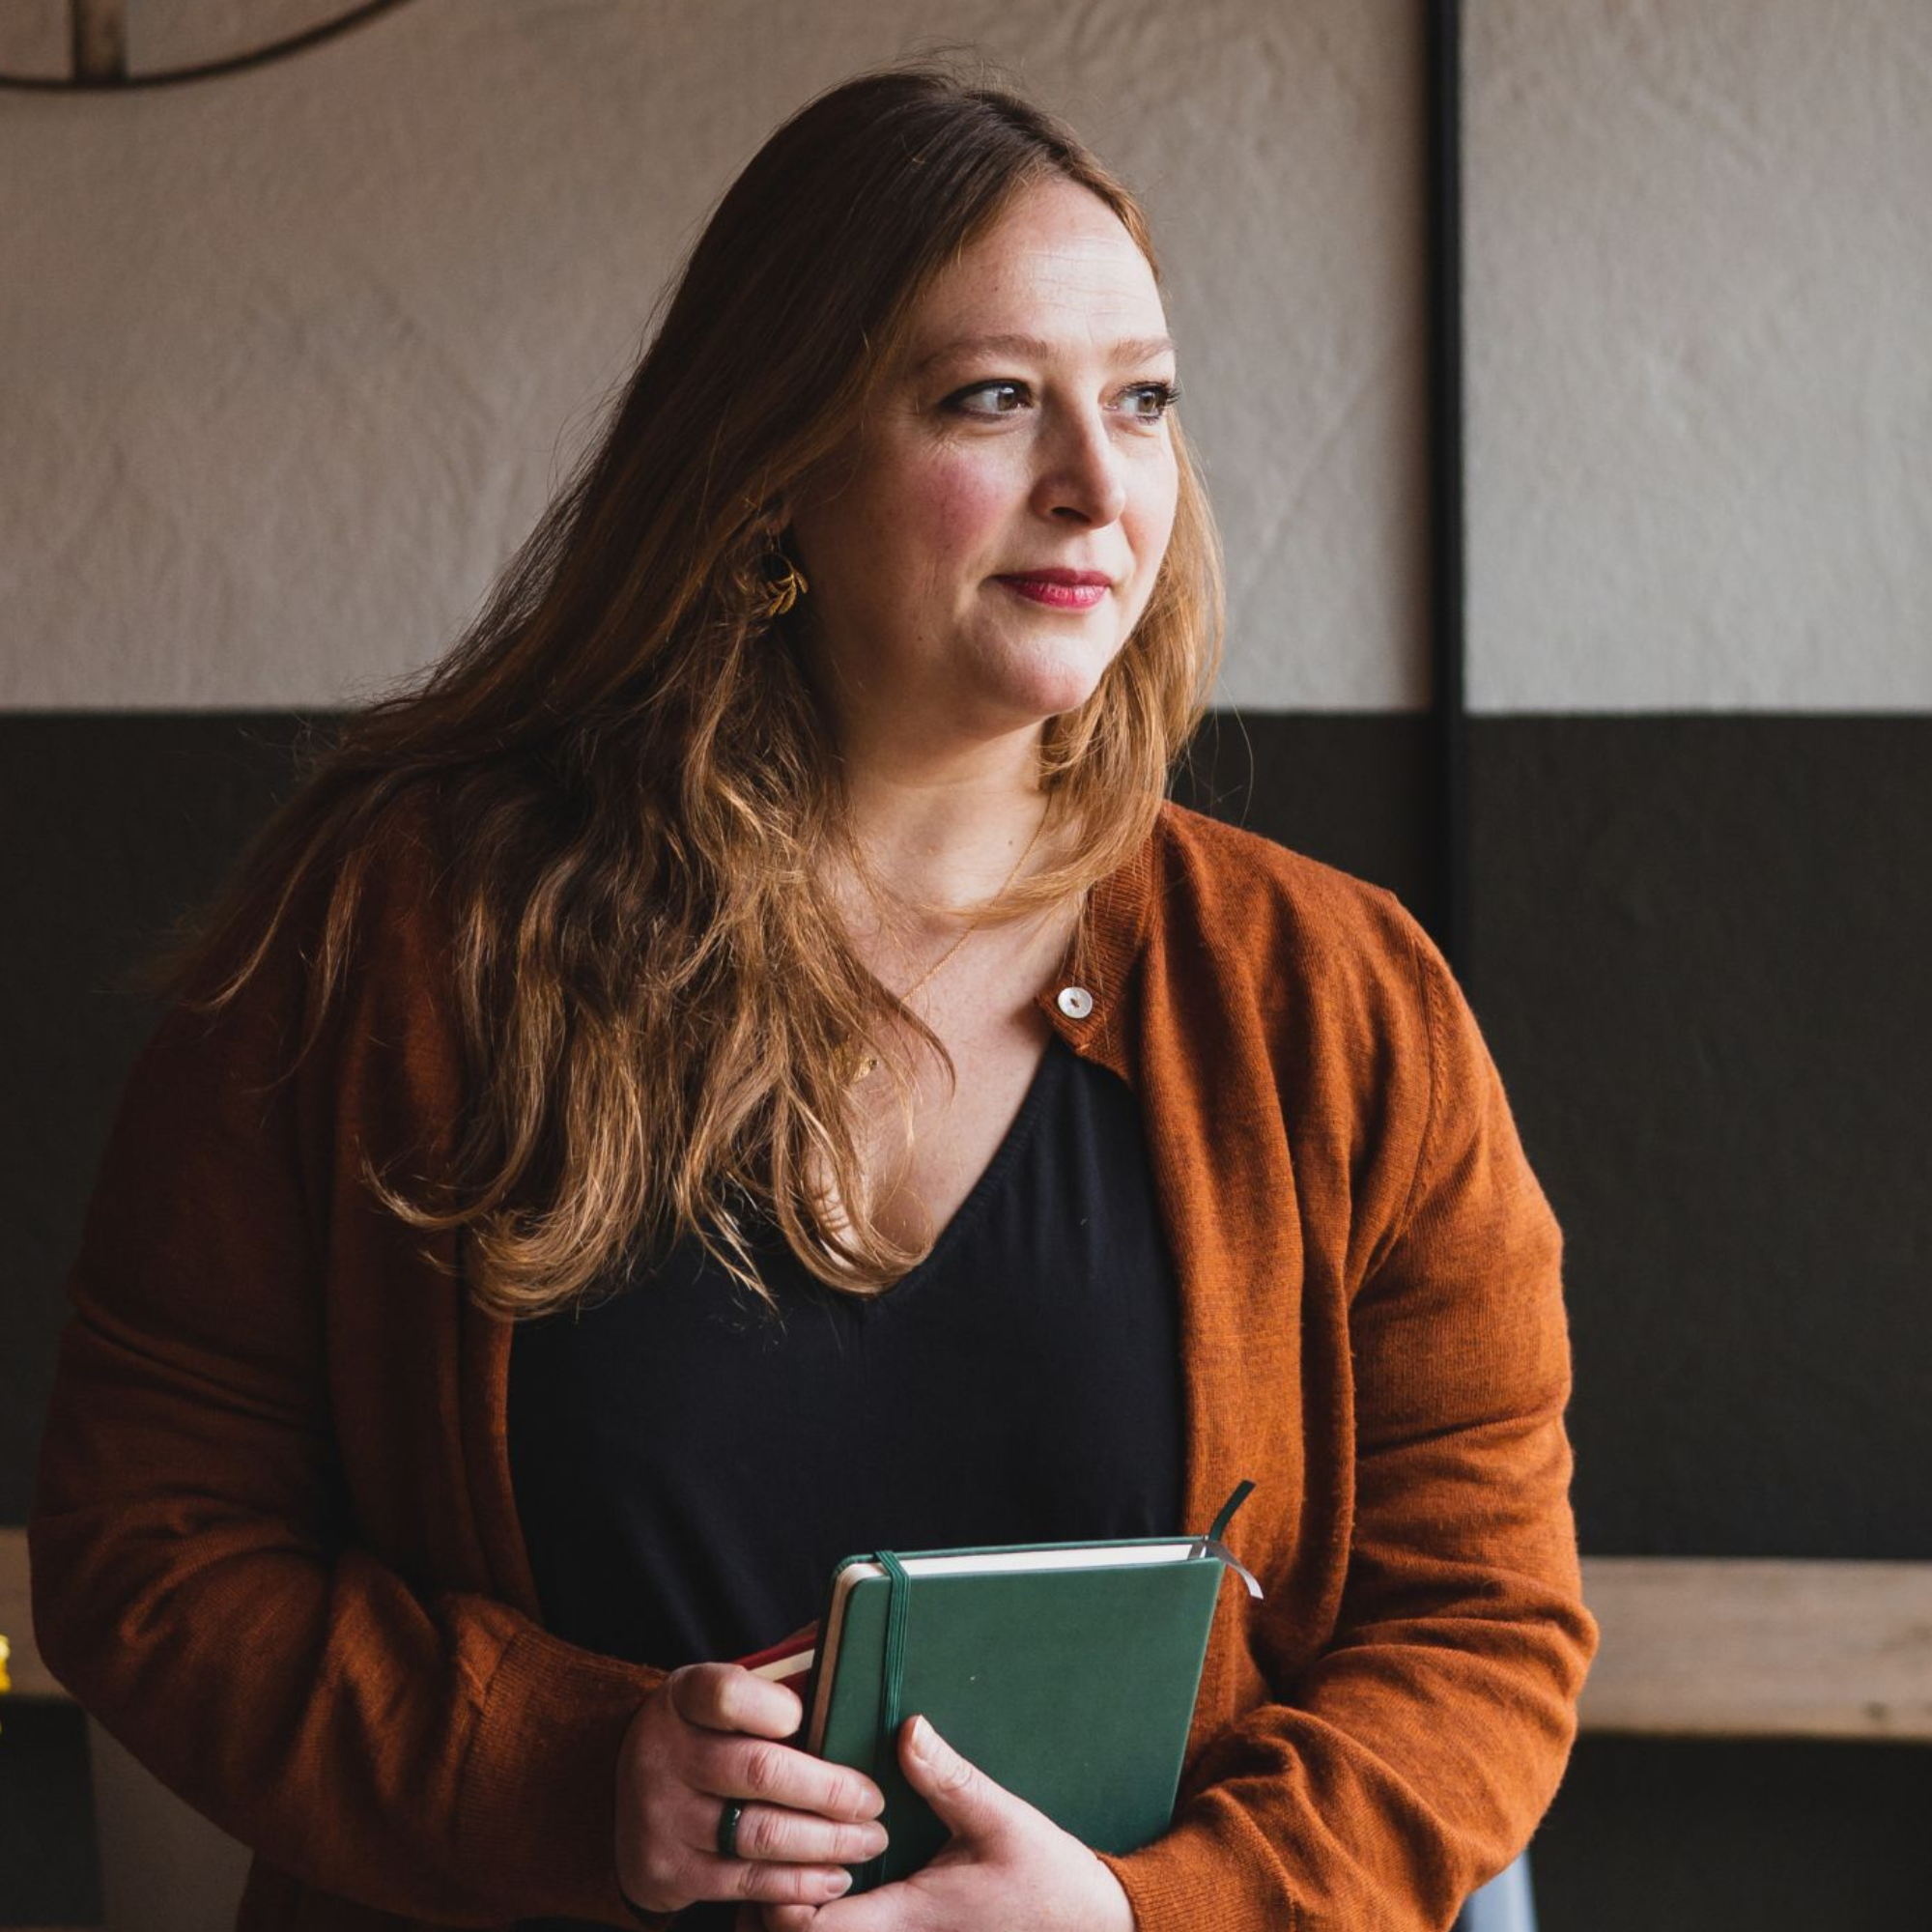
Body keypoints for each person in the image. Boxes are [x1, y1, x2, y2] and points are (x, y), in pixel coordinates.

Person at [28, 54, 1595, 1932]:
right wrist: (570, 1775)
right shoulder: (401, 940)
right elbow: (153, 1541)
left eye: (1146, 400)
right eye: (994, 400)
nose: (1101, 485)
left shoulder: (1337, 1000)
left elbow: (1478, 1624)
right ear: (776, 460)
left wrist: (1134, 1914)